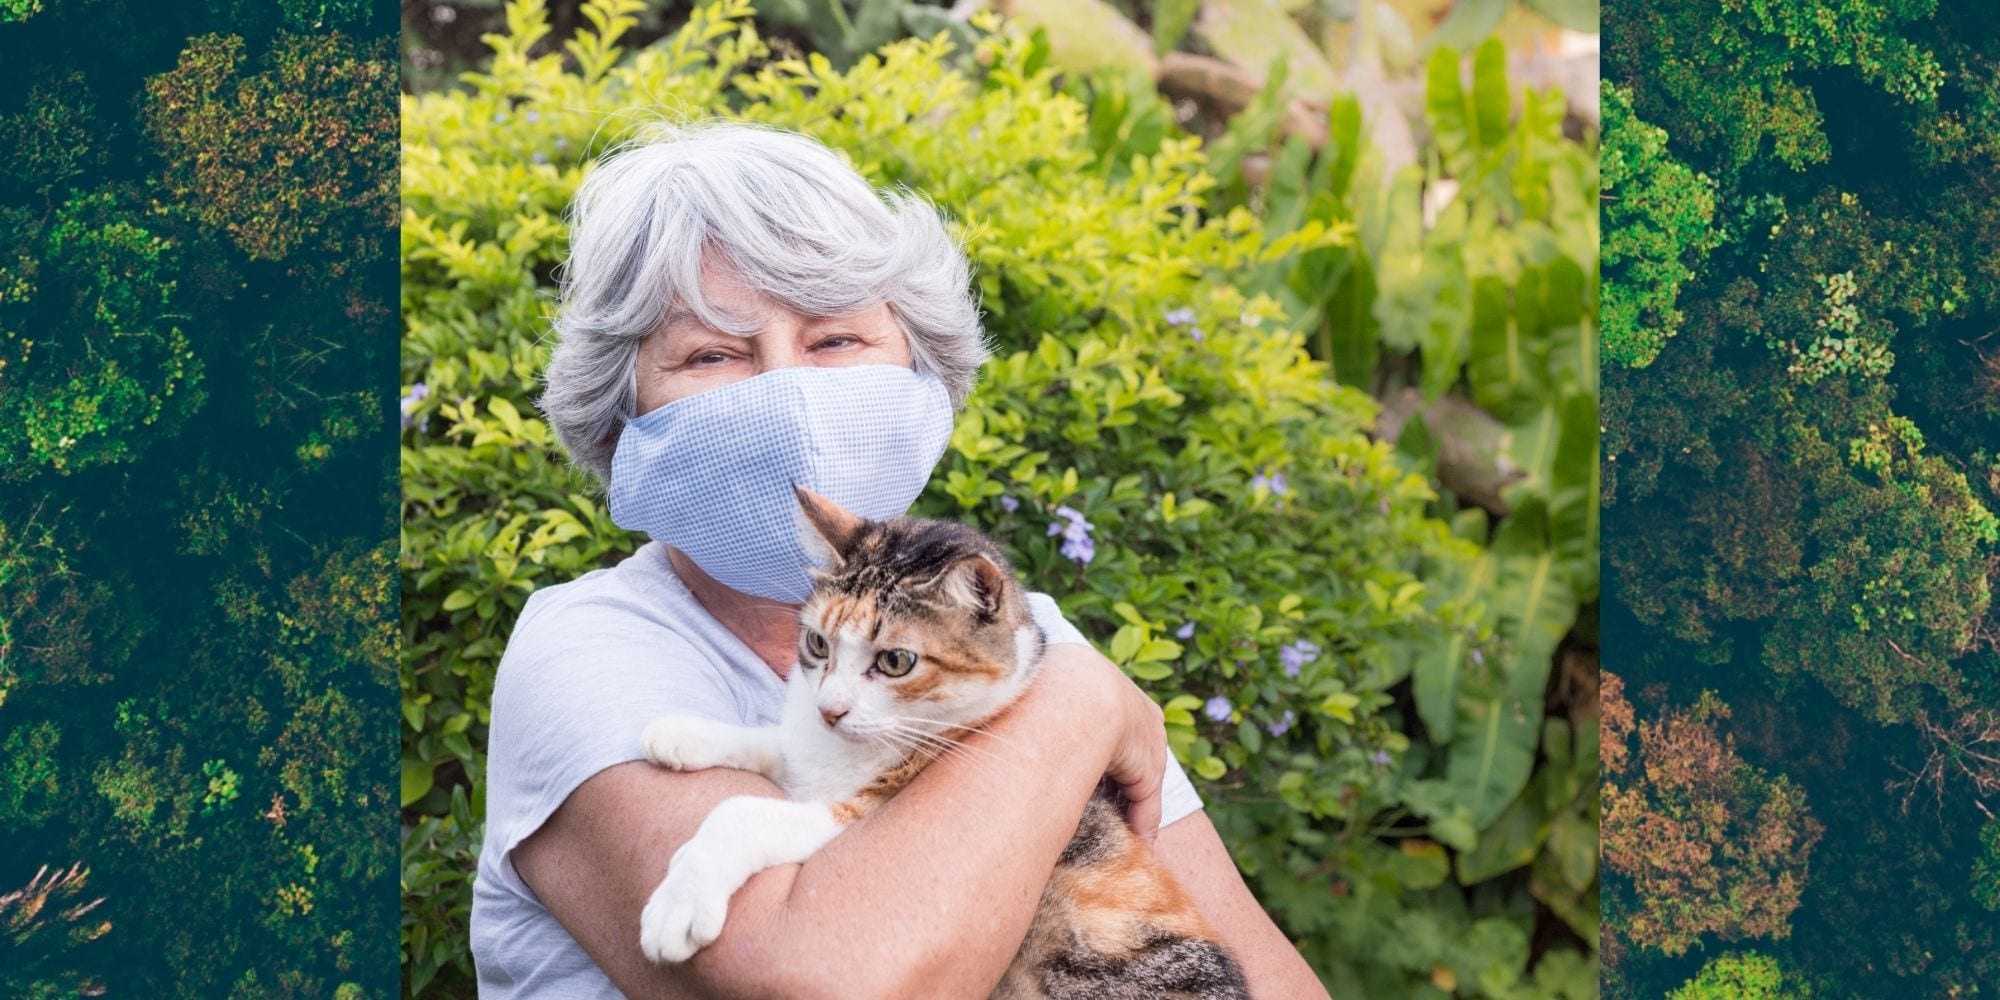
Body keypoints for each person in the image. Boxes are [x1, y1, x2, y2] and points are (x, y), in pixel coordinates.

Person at [469, 120, 1330, 999]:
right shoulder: (586, 650)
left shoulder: (1013, 631)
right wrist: (1084, 699)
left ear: (923, 365)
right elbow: (824, 979)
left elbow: (1269, 981)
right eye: (713, 353)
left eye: (836, 340)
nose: (785, 393)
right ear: (622, 422)